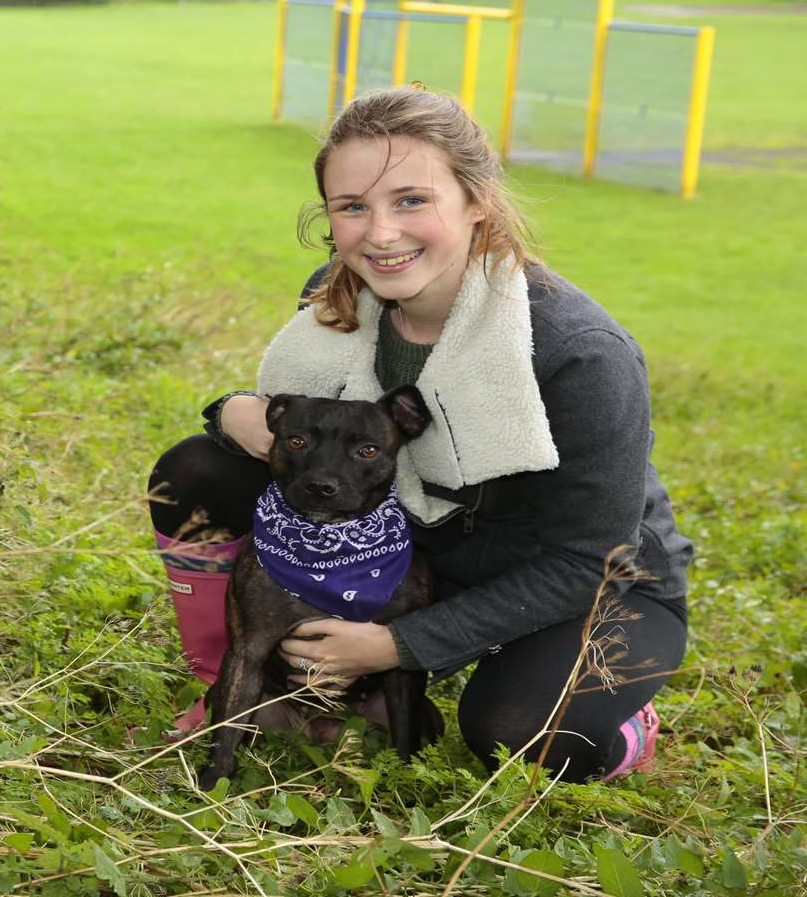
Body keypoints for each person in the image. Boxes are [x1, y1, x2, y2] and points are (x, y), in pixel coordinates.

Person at [149, 86, 692, 782]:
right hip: (414, 549)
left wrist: (398, 644)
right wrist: (232, 411)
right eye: (352, 207)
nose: (380, 234)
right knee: (196, 471)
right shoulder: (340, 296)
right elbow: (307, 429)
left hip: (587, 584)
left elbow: (594, 560)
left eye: (411, 200)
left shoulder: (580, 354)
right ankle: (236, 691)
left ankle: (622, 725)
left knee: (518, 733)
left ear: (478, 200)